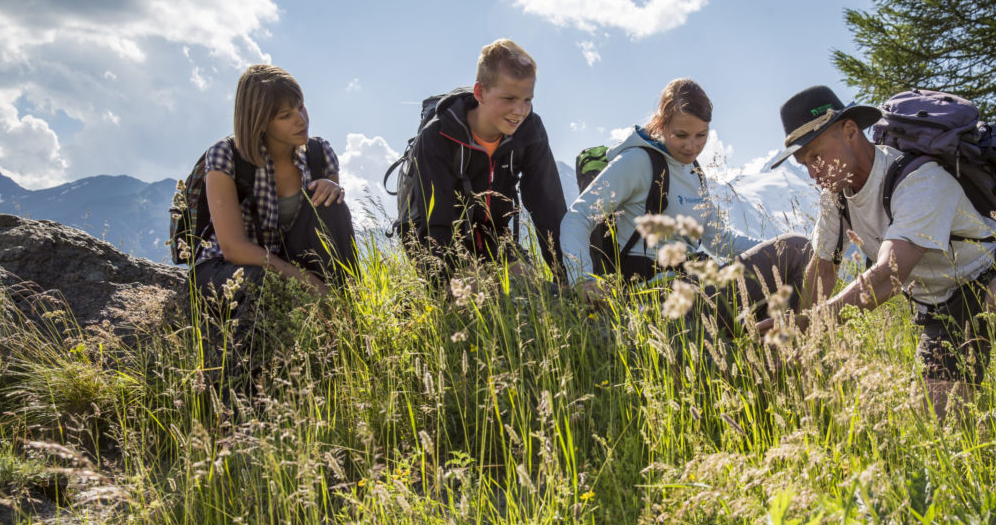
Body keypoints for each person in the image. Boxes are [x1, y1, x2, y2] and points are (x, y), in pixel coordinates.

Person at [764, 85, 996, 420]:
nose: (812, 172)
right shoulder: (834, 198)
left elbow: (889, 275)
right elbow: (822, 269)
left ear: (850, 131)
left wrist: (810, 323)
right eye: (804, 163)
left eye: (816, 156)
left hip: (988, 276)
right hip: (939, 308)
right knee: (940, 426)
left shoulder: (917, 178)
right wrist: (799, 336)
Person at [560, 78, 811, 325]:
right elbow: (578, 216)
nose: (692, 147)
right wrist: (582, 280)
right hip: (658, 297)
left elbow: (723, 242)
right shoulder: (637, 162)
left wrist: (775, 245)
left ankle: (784, 348)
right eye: (681, 135)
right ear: (661, 124)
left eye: (701, 135)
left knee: (798, 251)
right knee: (796, 250)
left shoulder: (694, 172)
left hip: (698, 285)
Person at [192, 64, 357, 365]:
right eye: (286, 115)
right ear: (260, 122)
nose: (301, 120)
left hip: (289, 259)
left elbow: (332, 235)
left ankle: (348, 320)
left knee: (334, 206)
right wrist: (304, 281)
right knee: (261, 284)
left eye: (301, 107)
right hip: (227, 268)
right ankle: (241, 389)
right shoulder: (225, 156)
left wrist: (331, 187)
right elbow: (233, 247)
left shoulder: (320, 155)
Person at [398, 39, 565, 277]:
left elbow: (549, 207)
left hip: (492, 235)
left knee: (530, 290)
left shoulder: (531, 130)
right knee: (478, 298)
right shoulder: (437, 134)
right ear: (480, 92)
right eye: (509, 99)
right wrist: (456, 279)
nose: (520, 111)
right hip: (433, 237)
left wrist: (572, 279)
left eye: (527, 99)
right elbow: (436, 222)